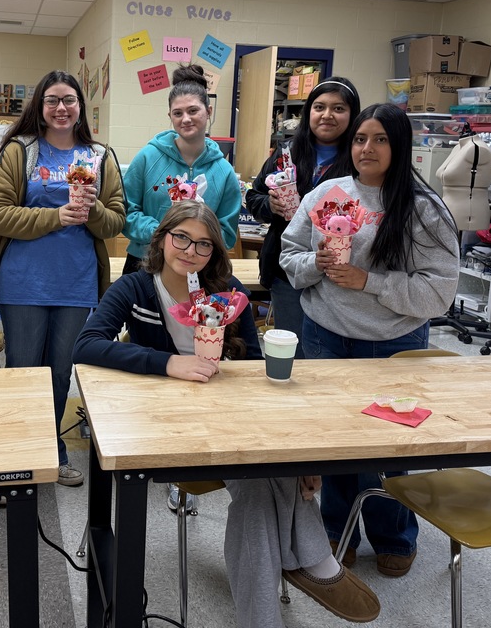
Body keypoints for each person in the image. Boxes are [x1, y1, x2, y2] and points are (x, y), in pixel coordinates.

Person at [74, 202, 380, 627]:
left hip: (230, 421)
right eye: (181, 237)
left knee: (260, 484)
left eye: (203, 244)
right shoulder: (136, 288)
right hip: (166, 425)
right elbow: (86, 344)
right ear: (162, 239)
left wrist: (298, 458)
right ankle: (315, 560)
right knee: (264, 479)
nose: (190, 251)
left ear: (214, 252)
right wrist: (167, 363)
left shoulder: (226, 288)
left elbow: (255, 367)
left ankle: (265, 616)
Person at [279, 103, 459, 577]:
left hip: (392, 344)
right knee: (336, 443)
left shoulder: (423, 209)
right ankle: (338, 530)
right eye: (360, 139)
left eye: (379, 139)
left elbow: (439, 292)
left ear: (399, 146)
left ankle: (393, 535)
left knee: (386, 449)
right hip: (326, 337)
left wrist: (370, 282)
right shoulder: (326, 194)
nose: (367, 148)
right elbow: (290, 253)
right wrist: (315, 264)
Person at [0, 70, 125, 487]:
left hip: (77, 284)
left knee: (61, 372)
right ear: (39, 108)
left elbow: (115, 221)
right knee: (23, 371)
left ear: (81, 106)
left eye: (69, 100)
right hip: (24, 281)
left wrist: (90, 208)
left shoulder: (100, 155)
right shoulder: (19, 151)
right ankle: (17, 456)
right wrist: (55, 216)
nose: (61, 108)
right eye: (52, 101)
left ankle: (53, 450)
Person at [245, 77, 359, 355]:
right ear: (308, 113)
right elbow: (254, 197)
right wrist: (269, 205)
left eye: (338, 108)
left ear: (353, 114)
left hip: (338, 273)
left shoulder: (360, 158)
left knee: (328, 353)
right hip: (287, 271)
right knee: (292, 350)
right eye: (319, 107)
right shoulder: (287, 153)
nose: (327, 115)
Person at [122, 64, 241, 274]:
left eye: (193, 110)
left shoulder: (224, 172)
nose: (185, 119)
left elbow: (227, 234)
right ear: (170, 116)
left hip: (199, 269)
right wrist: (162, 233)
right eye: (178, 113)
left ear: (209, 111)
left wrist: (194, 240)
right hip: (145, 263)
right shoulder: (147, 158)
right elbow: (127, 213)